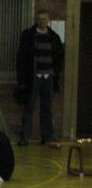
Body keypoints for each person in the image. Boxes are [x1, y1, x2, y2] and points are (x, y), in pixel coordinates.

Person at [16, 9, 64, 146]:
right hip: (33, 76)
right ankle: (25, 136)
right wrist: (21, 79)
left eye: (44, 19)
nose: (42, 21)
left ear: (48, 20)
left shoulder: (54, 37)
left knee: (47, 107)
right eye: (40, 19)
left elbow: (60, 56)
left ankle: (47, 135)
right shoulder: (28, 36)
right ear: (36, 20)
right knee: (29, 106)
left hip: (48, 76)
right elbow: (21, 58)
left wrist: (55, 71)